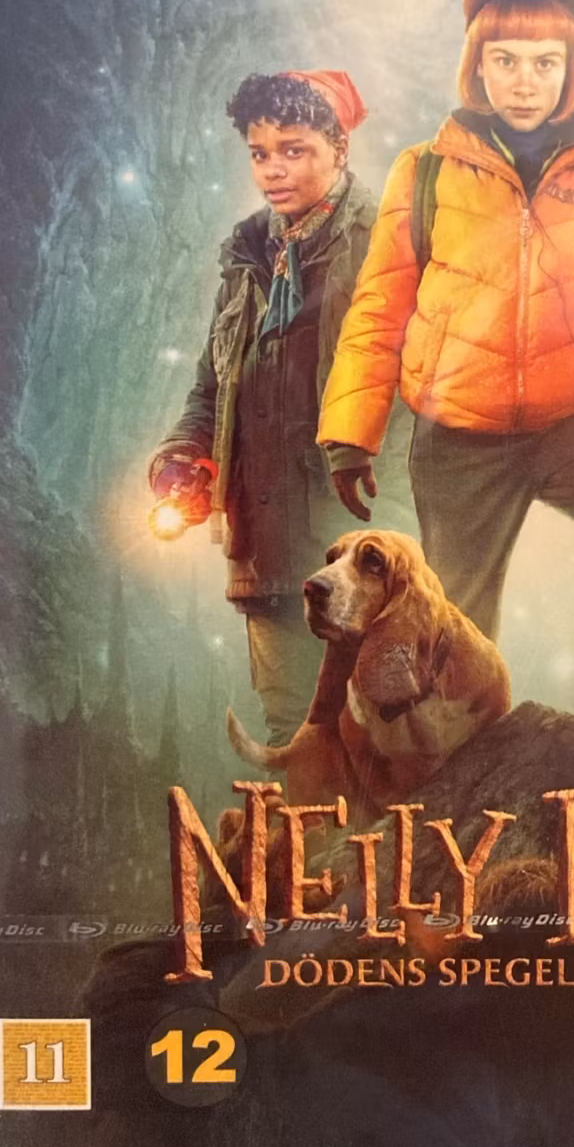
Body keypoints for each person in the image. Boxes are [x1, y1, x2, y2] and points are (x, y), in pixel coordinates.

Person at [317, 0, 574, 739]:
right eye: (505, 60)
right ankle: (454, 781)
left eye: (544, 62)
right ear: (477, 65)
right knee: (454, 633)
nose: (524, 80)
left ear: (571, 71)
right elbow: (379, 304)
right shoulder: (425, 172)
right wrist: (348, 434)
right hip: (459, 435)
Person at [148, 69, 410, 747]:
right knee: (293, 737)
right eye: (260, 153)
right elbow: (212, 388)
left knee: (385, 736)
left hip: (361, 546)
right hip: (265, 548)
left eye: (294, 150)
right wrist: (182, 460)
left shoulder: (387, 244)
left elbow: (420, 397)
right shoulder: (246, 259)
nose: (273, 169)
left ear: (339, 148)